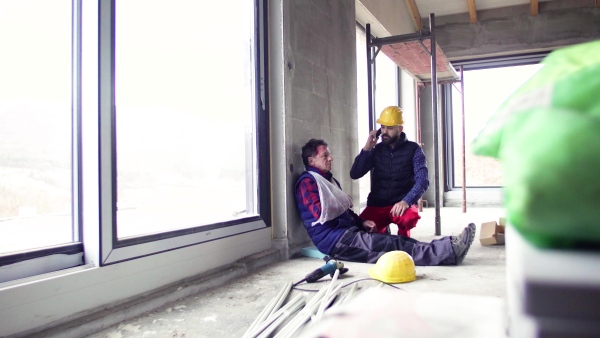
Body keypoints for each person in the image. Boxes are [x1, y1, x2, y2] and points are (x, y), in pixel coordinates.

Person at [294, 138, 475, 265]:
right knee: (391, 249)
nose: (330, 158)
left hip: (347, 232)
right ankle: (448, 253)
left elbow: (344, 211)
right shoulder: (307, 182)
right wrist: (344, 201)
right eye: (325, 155)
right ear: (311, 160)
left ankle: (449, 245)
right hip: (335, 241)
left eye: (329, 154)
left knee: (394, 240)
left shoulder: (327, 181)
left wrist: (361, 221)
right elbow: (322, 213)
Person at [350, 106, 427, 237]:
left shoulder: (414, 149)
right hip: (377, 204)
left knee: (409, 218)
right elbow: (355, 173)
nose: (385, 131)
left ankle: (404, 236)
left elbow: (423, 180)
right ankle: (382, 231)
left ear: (400, 129)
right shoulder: (376, 150)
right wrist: (367, 149)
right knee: (361, 229)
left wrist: (406, 201)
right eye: (383, 127)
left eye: (390, 128)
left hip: (401, 203)